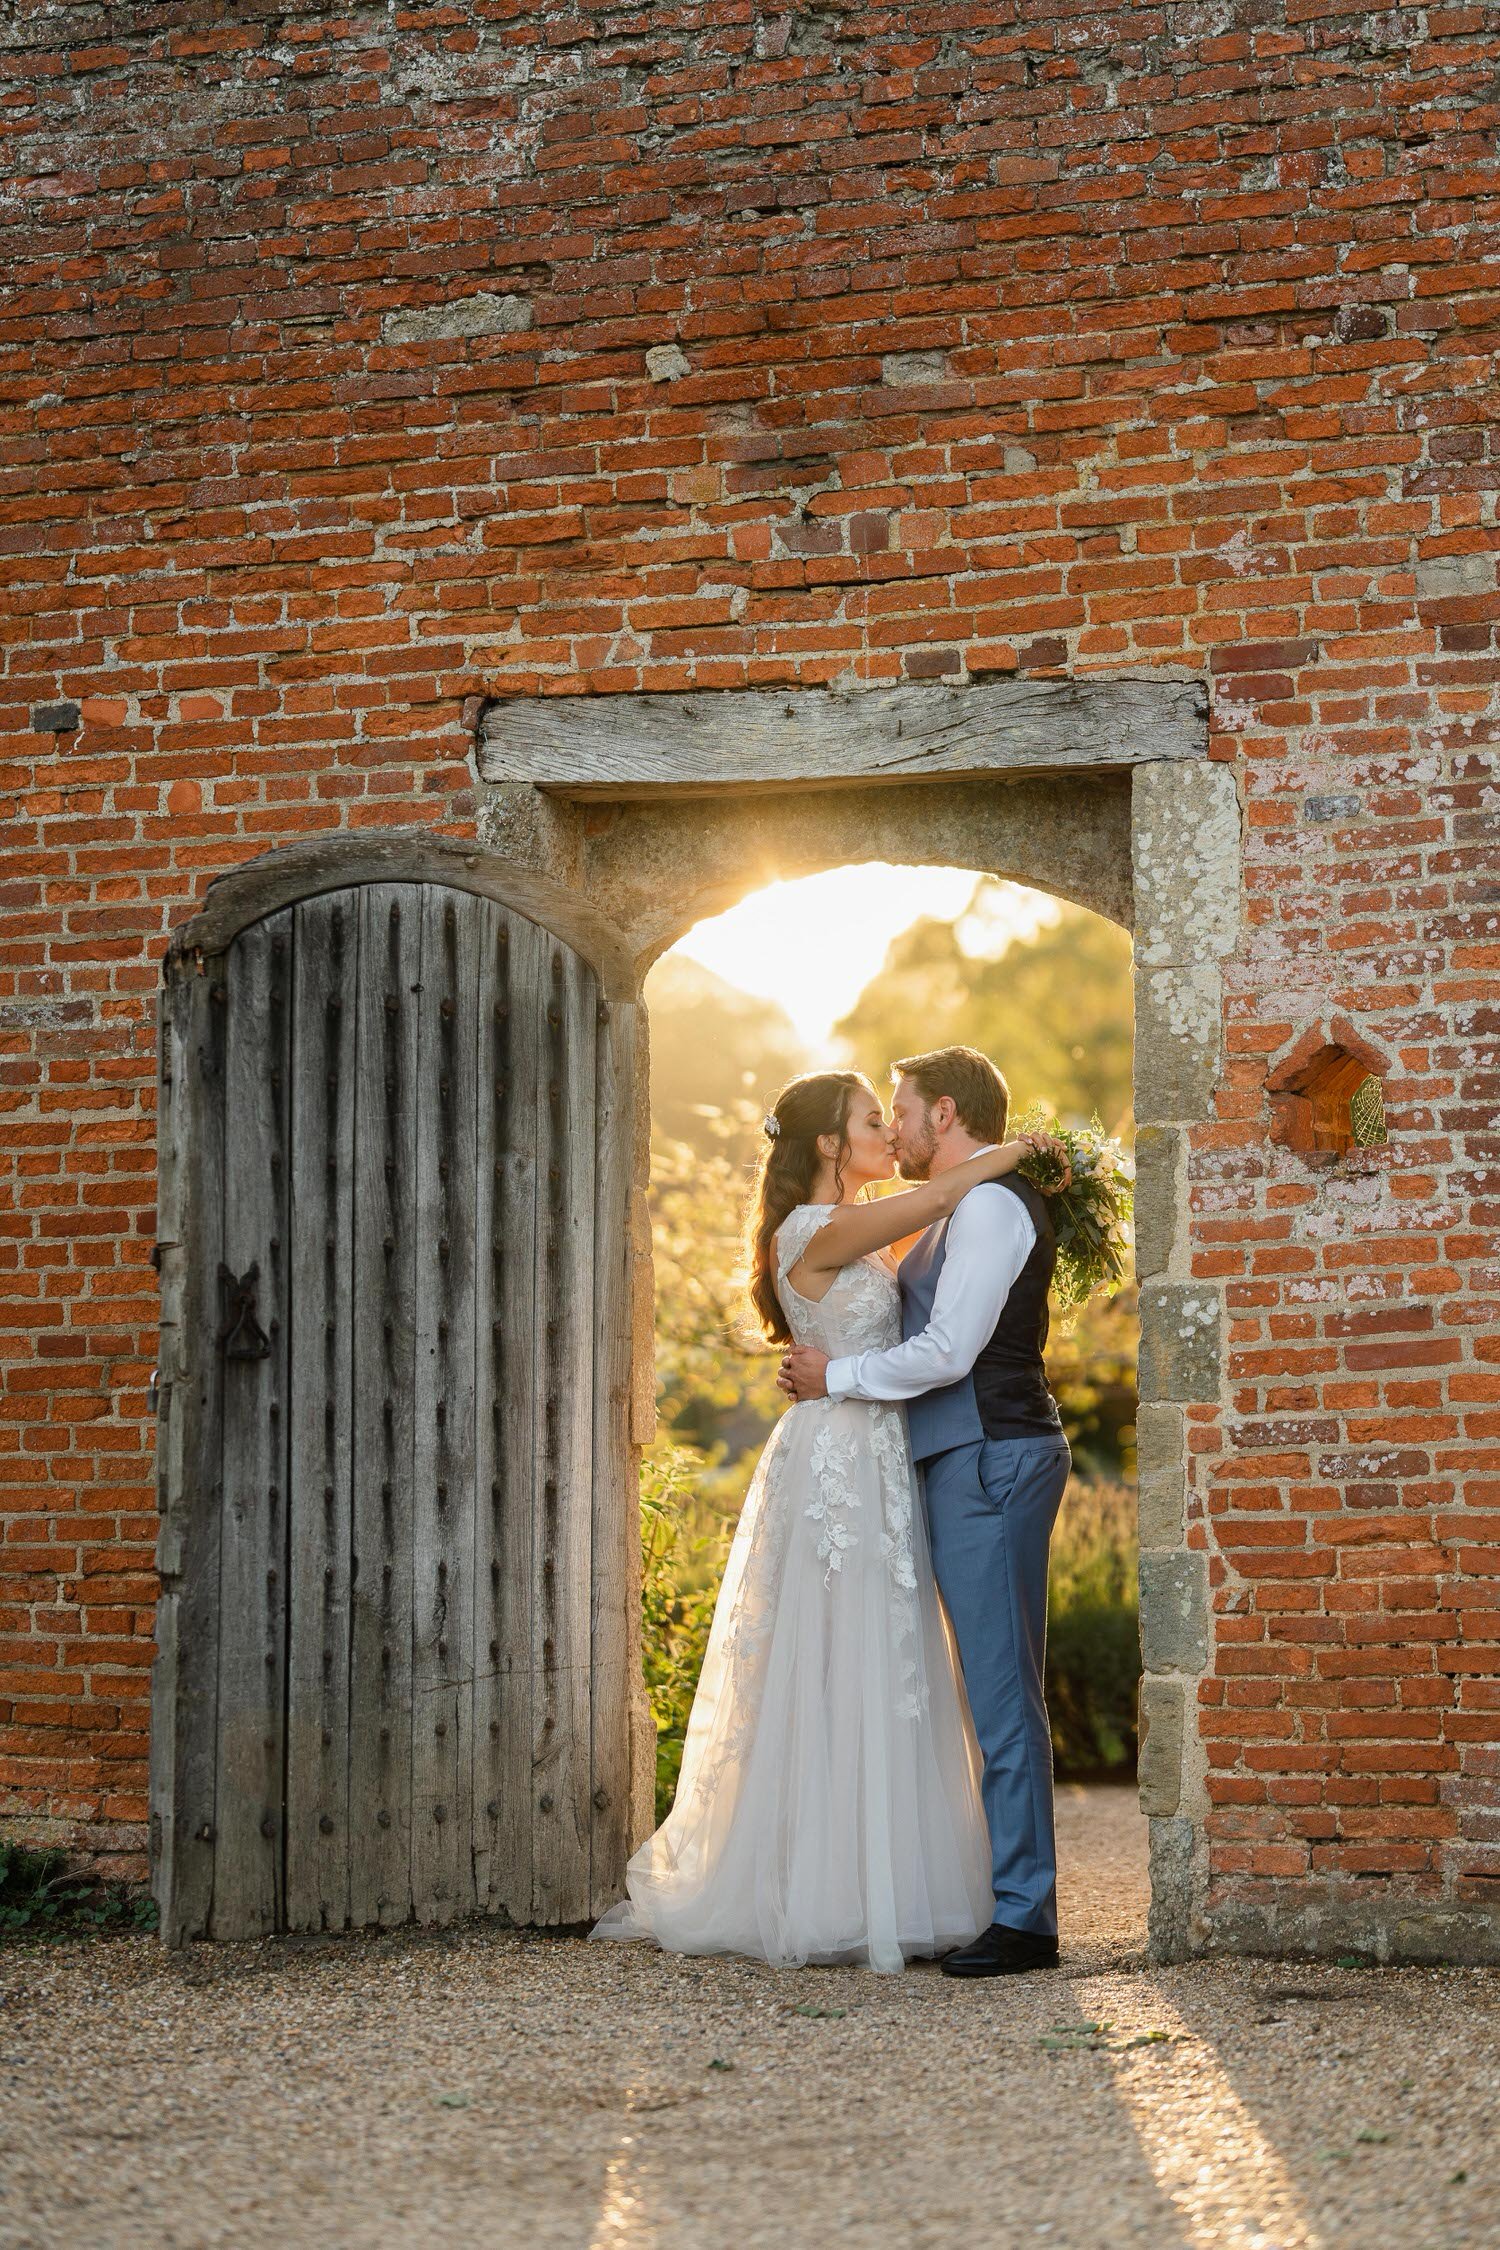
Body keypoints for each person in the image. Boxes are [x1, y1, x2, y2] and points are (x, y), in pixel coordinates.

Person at [590, 1069, 1056, 1973]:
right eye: (870, 1120)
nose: (887, 1128)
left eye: (896, 1113)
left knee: (883, 1667)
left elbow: (950, 1249)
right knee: (841, 1663)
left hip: (879, 1448)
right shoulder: (819, 1228)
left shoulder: (867, 1235)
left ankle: (877, 1879)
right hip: (846, 1453)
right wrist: (1037, 1152)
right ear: (831, 1147)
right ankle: (831, 1889)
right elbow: (948, 1188)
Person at [779, 1046, 1072, 1979]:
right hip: (954, 1459)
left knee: (999, 1687)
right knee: (975, 1684)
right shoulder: (939, 1215)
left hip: (992, 1452)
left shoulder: (985, 1205)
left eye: (899, 1111)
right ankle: (998, 1896)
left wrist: (839, 1375)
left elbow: (948, 1350)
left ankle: (1026, 1918)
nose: (895, 1128)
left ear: (943, 1114)